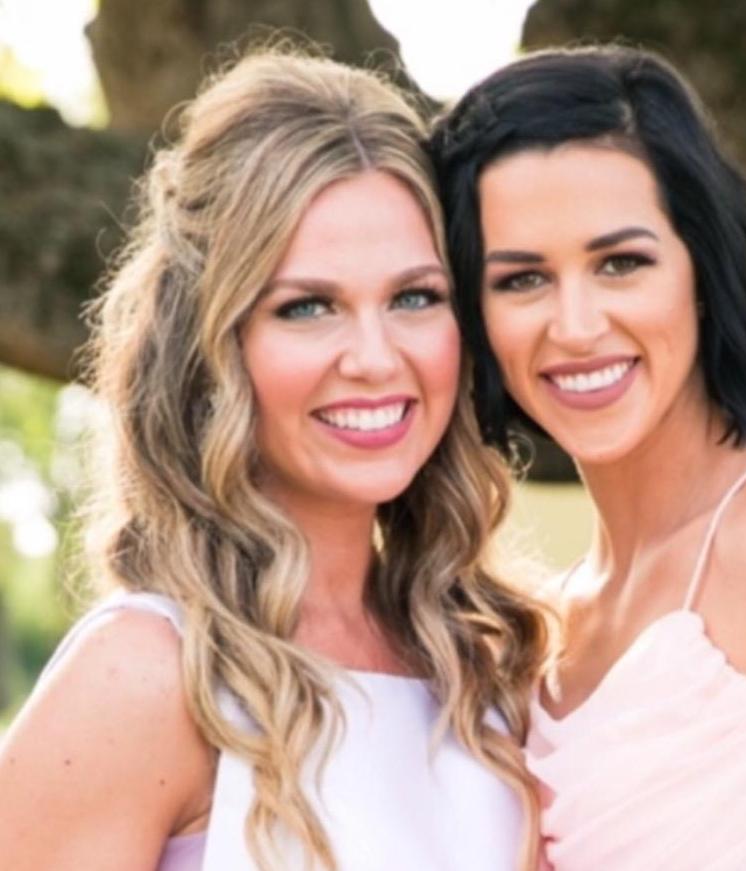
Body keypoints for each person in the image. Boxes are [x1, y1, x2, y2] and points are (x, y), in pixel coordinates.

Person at [0, 46, 551, 871]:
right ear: (214, 345)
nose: (376, 357)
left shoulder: (490, 668)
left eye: (414, 296)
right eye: (307, 306)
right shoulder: (146, 675)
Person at [429, 44, 746, 870]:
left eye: (621, 263)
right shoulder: (540, 631)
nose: (577, 325)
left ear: (700, 270)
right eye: (522, 279)